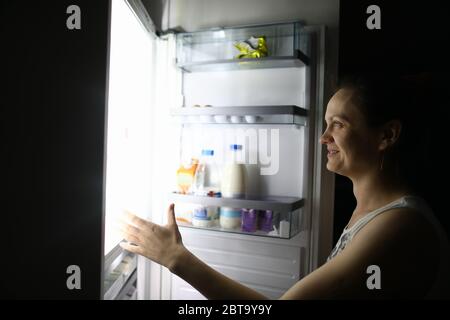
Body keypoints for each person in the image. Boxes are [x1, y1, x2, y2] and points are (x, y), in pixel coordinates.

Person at [121, 74, 450, 299]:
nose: (324, 138)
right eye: (326, 124)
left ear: (387, 136)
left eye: (339, 124)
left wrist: (176, 258)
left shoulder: (400, 225)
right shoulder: (371, 213)